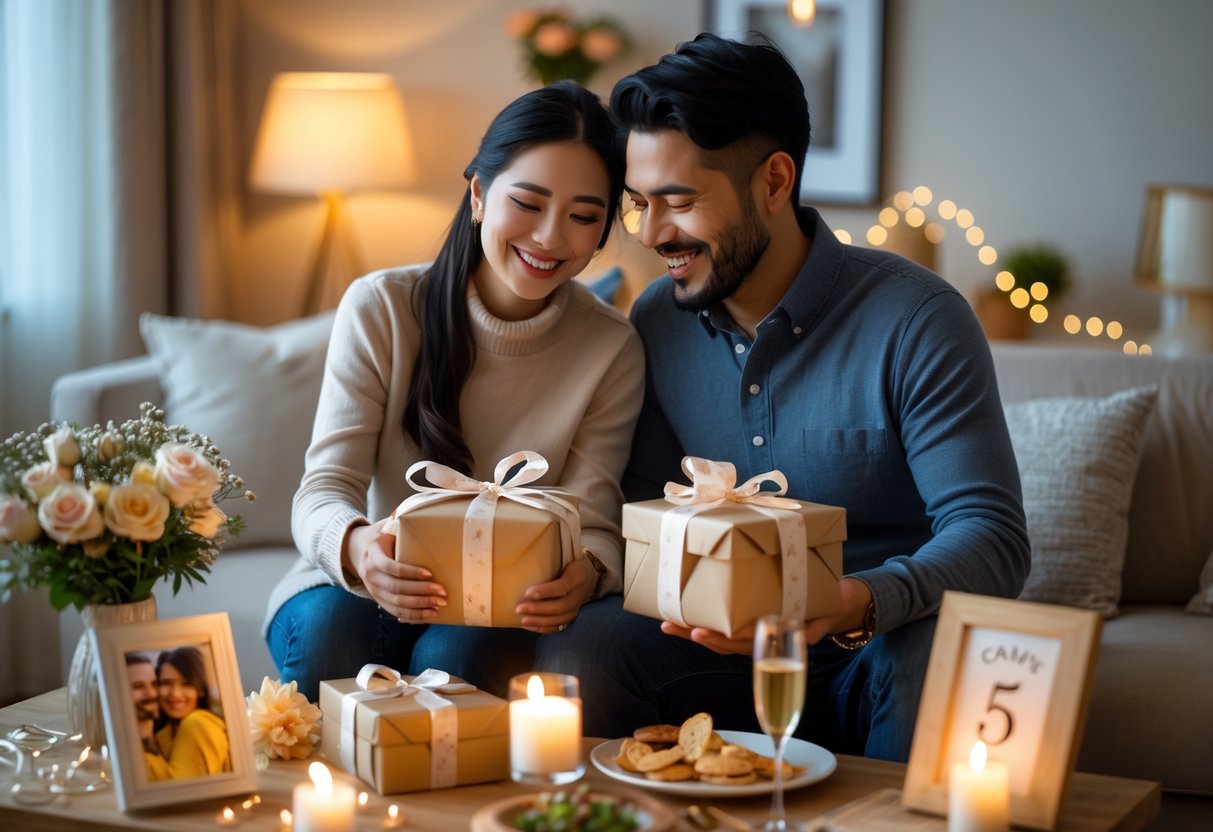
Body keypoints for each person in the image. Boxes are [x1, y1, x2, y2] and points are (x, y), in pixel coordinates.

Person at [534, 34, 1030, 762]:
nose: (649, 234)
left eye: (677, 203)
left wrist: (852, 602)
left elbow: (994, 539)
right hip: (720, 654)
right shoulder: (655, 321)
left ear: (772, 182)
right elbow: (642, 513)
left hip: (879, 649)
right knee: (590, 645)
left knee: (927, 656)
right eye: (638, 204)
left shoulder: (916, 318)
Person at [264, 81, 645, 702]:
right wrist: (360, 549)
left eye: (583, 217)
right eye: (528, 202)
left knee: (456, 656)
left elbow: (594, 523)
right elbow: (322, 491)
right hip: (360, 583)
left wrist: (588, 574)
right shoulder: (382, 307)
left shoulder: (611, 348)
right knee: (333, 634)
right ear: (477, 194)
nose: (550, 237)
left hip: (493, 608)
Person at [146, 646, 231, 780]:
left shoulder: (197, 724)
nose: (175, 693)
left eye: (186, 684)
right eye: (166, 683)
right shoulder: (167, 732)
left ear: (201, 690)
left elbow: (177, 790)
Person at [126, 653, 165, 778]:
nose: (151, 693)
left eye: (154, 684)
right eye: (138, 686)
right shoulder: (129, 757)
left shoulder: (167, 738)